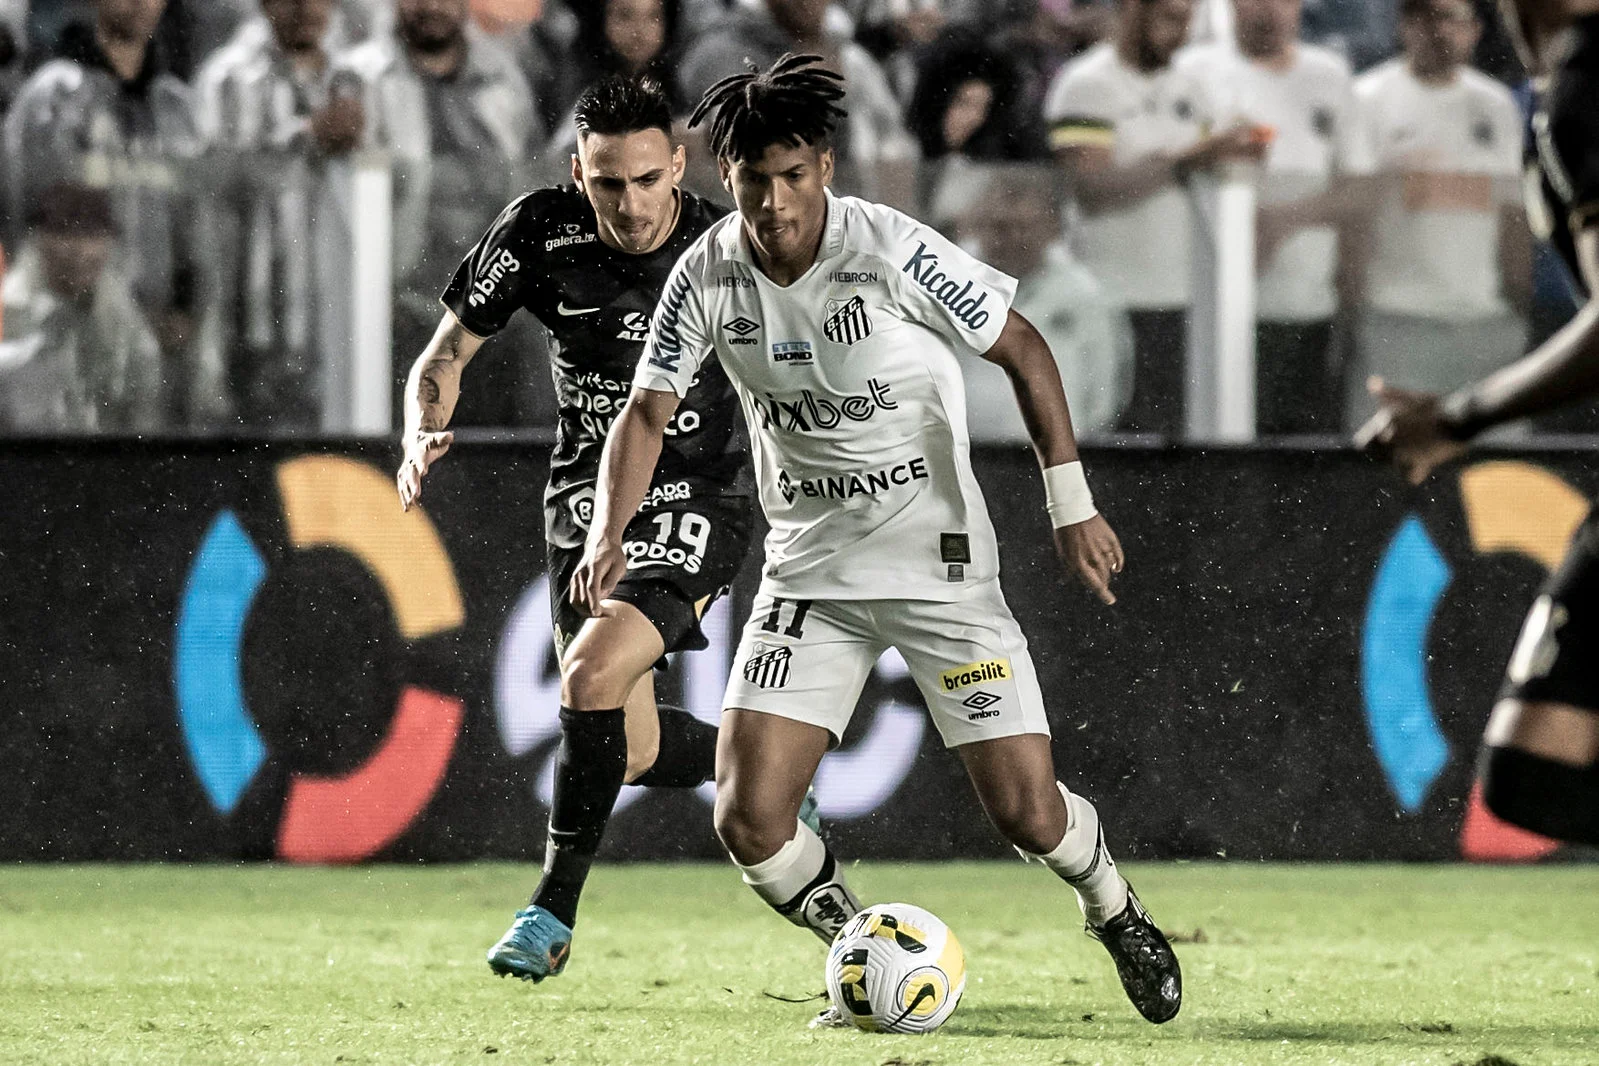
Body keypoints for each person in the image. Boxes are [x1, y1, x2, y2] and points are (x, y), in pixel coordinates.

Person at [575, 53, 1181, 1026]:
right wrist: (611, 531)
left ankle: (1113, 906)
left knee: (1027, 812)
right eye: (753, 180)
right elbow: (645, 416)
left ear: (823, 169)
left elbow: (1024, 347)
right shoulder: (707, 275)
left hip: (938, 568)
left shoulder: (886, 247)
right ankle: (861, 944)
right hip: (811, 573)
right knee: (750, 820)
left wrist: (1071, 503)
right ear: (722, 177)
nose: (774, 202)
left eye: (793, 176)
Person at [393, 75, 757, 982]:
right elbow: (445, 353)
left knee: (591, 671)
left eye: (645, 179)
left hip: (698, 492)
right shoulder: (538, 232)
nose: (629, 206)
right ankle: (768, 772)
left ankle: (549, 911)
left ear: (679, 164)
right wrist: (420, 422)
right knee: (627, 746)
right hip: (586, 500)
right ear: (578, 172)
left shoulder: (724, 246)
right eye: (606, 184)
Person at [1356, 0, 1599, 847]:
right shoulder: (1554, 91)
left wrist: (1456, 417)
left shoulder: (1586, 88)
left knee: (1535, 772)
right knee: (1537, 773)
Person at [1045, 0, 1265, 436]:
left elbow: (1207, 170)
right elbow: (1091, 189)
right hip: (1112, 299)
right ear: (1131, 11)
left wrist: (1236, 153)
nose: (1179, 33)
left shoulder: (1191, 89)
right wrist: (1191, 157)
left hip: (1182, 298)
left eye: (1186, 21)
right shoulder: (1086, 85)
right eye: (1168, 18)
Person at [5, 0, 227, 427]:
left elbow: (198, 229)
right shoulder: (52, 98)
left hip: (161, 346)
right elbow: (26, 225)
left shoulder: (176, 108)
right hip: (69, 340)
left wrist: (184, 304)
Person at [333, 0, 545, 427]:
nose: (431, 5)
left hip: (493, 313)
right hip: (398, 311)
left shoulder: (505, 78)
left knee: (492, 459)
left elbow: (529, 178)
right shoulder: (357, 77)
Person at [1178, 0, 1363, 435]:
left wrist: (1283, 219)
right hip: (1211, 307)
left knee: (1303, 456)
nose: (1269, 12)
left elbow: (1359, 188)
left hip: (1308, 305)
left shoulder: (1329, 76)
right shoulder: (1192, 71)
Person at [1344, 0, 1527, 431]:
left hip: (1483, 323)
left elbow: (1512, 217)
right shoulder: (1367, 98)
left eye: (1450, 17)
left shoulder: (1496, 105)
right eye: (1425, 17)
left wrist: (1516, 307)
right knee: (1387, 460)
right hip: (1396, 323)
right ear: (1405, 26)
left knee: (1495, 470)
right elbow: (1352, 218)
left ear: (1475, 30)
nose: (1438, 30)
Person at [194, 0, 362, 428]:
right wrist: (307, 137)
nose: (305, 7)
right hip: (253, 327)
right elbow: (210, 185)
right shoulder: (226, 78)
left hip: (341, 327)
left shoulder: (356, 76)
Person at [0, 182, 164, 433]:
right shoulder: (9, 306)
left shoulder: (116, 302)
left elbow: (143, 386)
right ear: (38, 238)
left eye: (92, 234)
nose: (80, 250)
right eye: (66, 233)